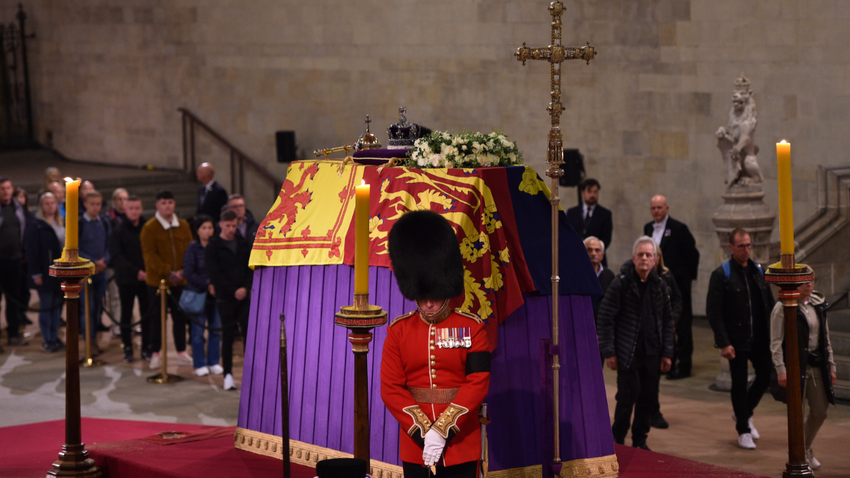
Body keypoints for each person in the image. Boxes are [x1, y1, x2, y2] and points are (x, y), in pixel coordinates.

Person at [381, 210, 490, 477]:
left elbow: (478, 382)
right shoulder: (398, 331)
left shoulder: (473, 327)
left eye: (435, 294)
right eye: (423, 294)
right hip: (414, 441)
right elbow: (391, 388)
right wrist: (422, 431)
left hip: (461, 440)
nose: (429, 302)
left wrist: (442, 430)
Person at [596, 236, 673, 450]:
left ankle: (640, 439)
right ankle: (617, 438)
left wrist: (667, 352)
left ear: (655, 260)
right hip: (627, 352)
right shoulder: (620, 283)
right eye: (641, 254)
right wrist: (609, 351)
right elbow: (605, 318)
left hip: (652, 353)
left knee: (648, 398)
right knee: (627, 397)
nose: (644, 258)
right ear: (633, 257)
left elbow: (667, 321)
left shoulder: (660, 286)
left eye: (649, 255)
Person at [706, 228, 773, 450]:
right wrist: (724, 342)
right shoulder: (722, 274)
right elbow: (714, 312)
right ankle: (743, 430)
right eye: (741, 246)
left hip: (760, 338)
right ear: (731, 248)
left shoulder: (758, 272)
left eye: (748, 245)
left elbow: (768, 305)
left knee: (765, 376)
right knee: (739, 382)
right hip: (736, 339)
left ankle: (743, 413)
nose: (746, 250)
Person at [770, 276, 836, 469]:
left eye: (812, 280)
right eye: (805, 281)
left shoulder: (818, 305)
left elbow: (826, 338)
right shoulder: (782, 307)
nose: (810, 284)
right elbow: (775, 342)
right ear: (795, 284)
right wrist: (781, 369)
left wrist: (831, 365)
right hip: (795, 367)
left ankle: (805, 447)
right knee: (796, 414)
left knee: (820, 411)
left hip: (816, 365)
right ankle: (797, 453)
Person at [643, 194, 699, 379]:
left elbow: (693, 255)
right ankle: (666, 362)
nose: (656, 211)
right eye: (653, 208)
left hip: (678, 285)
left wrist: (686, 279)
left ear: (666, 208)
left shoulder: (679, 229)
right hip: (655, 285)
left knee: (682, 325)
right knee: (663, 325)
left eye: (659, 207)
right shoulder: (648, 228)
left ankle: (684, 365)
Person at [140, 190, 193, 369]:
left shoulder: (184, 226)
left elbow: (190, 250)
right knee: (157, 319)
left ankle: (181, 352)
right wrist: (169, 272)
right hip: (158, 283)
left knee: (180, 318)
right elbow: (150, 256)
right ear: (157, 205)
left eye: (170, 202)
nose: (167, 206)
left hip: (180, 281)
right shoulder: (149, 228)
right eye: (163, 203)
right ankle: (155, 353)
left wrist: (183, 271)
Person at [205, 210, 252, 391]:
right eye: (228, 226)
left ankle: (249, 376)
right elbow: (214, 275)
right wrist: (233, 291)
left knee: (248, 336)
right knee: (228, 336)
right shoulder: (213, 246)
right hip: (225, 299)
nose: (231, 229)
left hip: (243, 298)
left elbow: (250, 268)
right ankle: (228, 375)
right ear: (221, 225)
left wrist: (245, 289)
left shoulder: (243, 243)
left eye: (234, 225)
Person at [109, 195, 150, 363]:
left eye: (137, 208)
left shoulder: (147, 229)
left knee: (147, 314)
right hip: (127, 279)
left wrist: (146, 272)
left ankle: (147, 347)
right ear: (125, 210)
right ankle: (127, 347)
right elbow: (117, 257)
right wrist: (135, 272)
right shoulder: (118, 231)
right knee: (126, 314)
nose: (134, 211)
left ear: (141, 210)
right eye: (131, 208)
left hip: (146, 278)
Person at [183, 214, 223, 377]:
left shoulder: (216, 247)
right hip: (198, 294)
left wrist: (216, 285)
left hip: (215, 295)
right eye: (204, 228)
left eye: (210, 228)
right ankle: (199, 363)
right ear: (197, 230)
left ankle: (213, 361)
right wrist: (207, 285)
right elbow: (189, 272)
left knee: (216, 329)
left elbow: (221, 268)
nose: (207, 231)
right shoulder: (192, 248)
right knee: (198, 332)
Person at [26, 192, 65, 353]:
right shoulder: (36, 225)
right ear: (42, 206)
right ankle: (47, 338)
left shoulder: (60, 222)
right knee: (46, 306)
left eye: (53, 203)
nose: (50, 206)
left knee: (57, 306)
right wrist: (36, 274)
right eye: (47, 203)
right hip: (45, 271)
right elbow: (32, 251)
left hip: (59, 271)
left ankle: (55, 336)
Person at [649, 247, 681, 430]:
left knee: (655, 376)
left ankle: (654, 411)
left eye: (653, 255)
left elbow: (677, 300)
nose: (650, 258)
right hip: (647, 333)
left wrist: (672, 319)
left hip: (662, 331)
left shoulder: (667, 277)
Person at [0, 176, 30, 347]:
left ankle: (13, 334)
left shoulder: (17, 207)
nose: (6, 191)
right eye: (3, 188)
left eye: (8, 188)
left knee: (14, 299)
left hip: (15, 260)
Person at [79, 190, 112, 343]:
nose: (95, 207)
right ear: (85, 204)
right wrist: (92, 261)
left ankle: (95, 335)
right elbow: (76, 248)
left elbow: (109, 244)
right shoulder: (79, 223)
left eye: (98, 204)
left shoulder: (104, 222)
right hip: (85, 272)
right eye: (92, 204)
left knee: (98, 306)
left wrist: (104, 261)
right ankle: (89, 339)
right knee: (87, 307)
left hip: (101, 271)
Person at [567, 178, 613, 267]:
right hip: (576, 256)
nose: (593, 195)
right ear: (583, 193)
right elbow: (568, 234)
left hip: (596, 258)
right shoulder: (572, 212)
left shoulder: (605, 214)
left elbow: (606, 238)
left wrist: (594, 250)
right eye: (590, 191)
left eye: (595, 192)